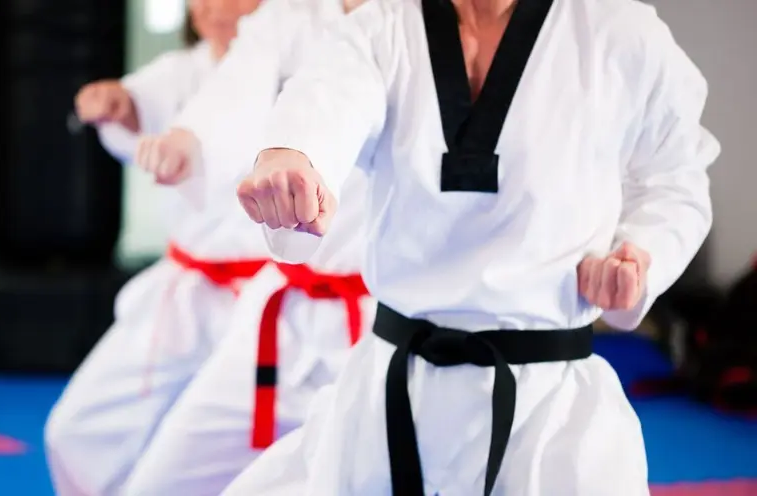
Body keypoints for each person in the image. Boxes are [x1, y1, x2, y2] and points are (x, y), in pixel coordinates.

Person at [228, 0, 719, 494]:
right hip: (390, 395)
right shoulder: (383, 26)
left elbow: (676, 177)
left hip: (548, 411)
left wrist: (639, 254)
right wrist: (294, 163)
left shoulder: (617, 29)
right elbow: (323, 102)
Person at [118, 0, 376, 493]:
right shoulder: (288, 17)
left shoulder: (428, 22)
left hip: (379, 329)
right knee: (161, 483)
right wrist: (188, 141)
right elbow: (236, 89)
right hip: (282, 316)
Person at [43, 1, 265, 495]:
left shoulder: (311, 70)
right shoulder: (181, 71)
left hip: (277, 303)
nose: (212, 8)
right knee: (79, 429)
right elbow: (140, 101)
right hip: (186, 293)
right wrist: (118, 102)